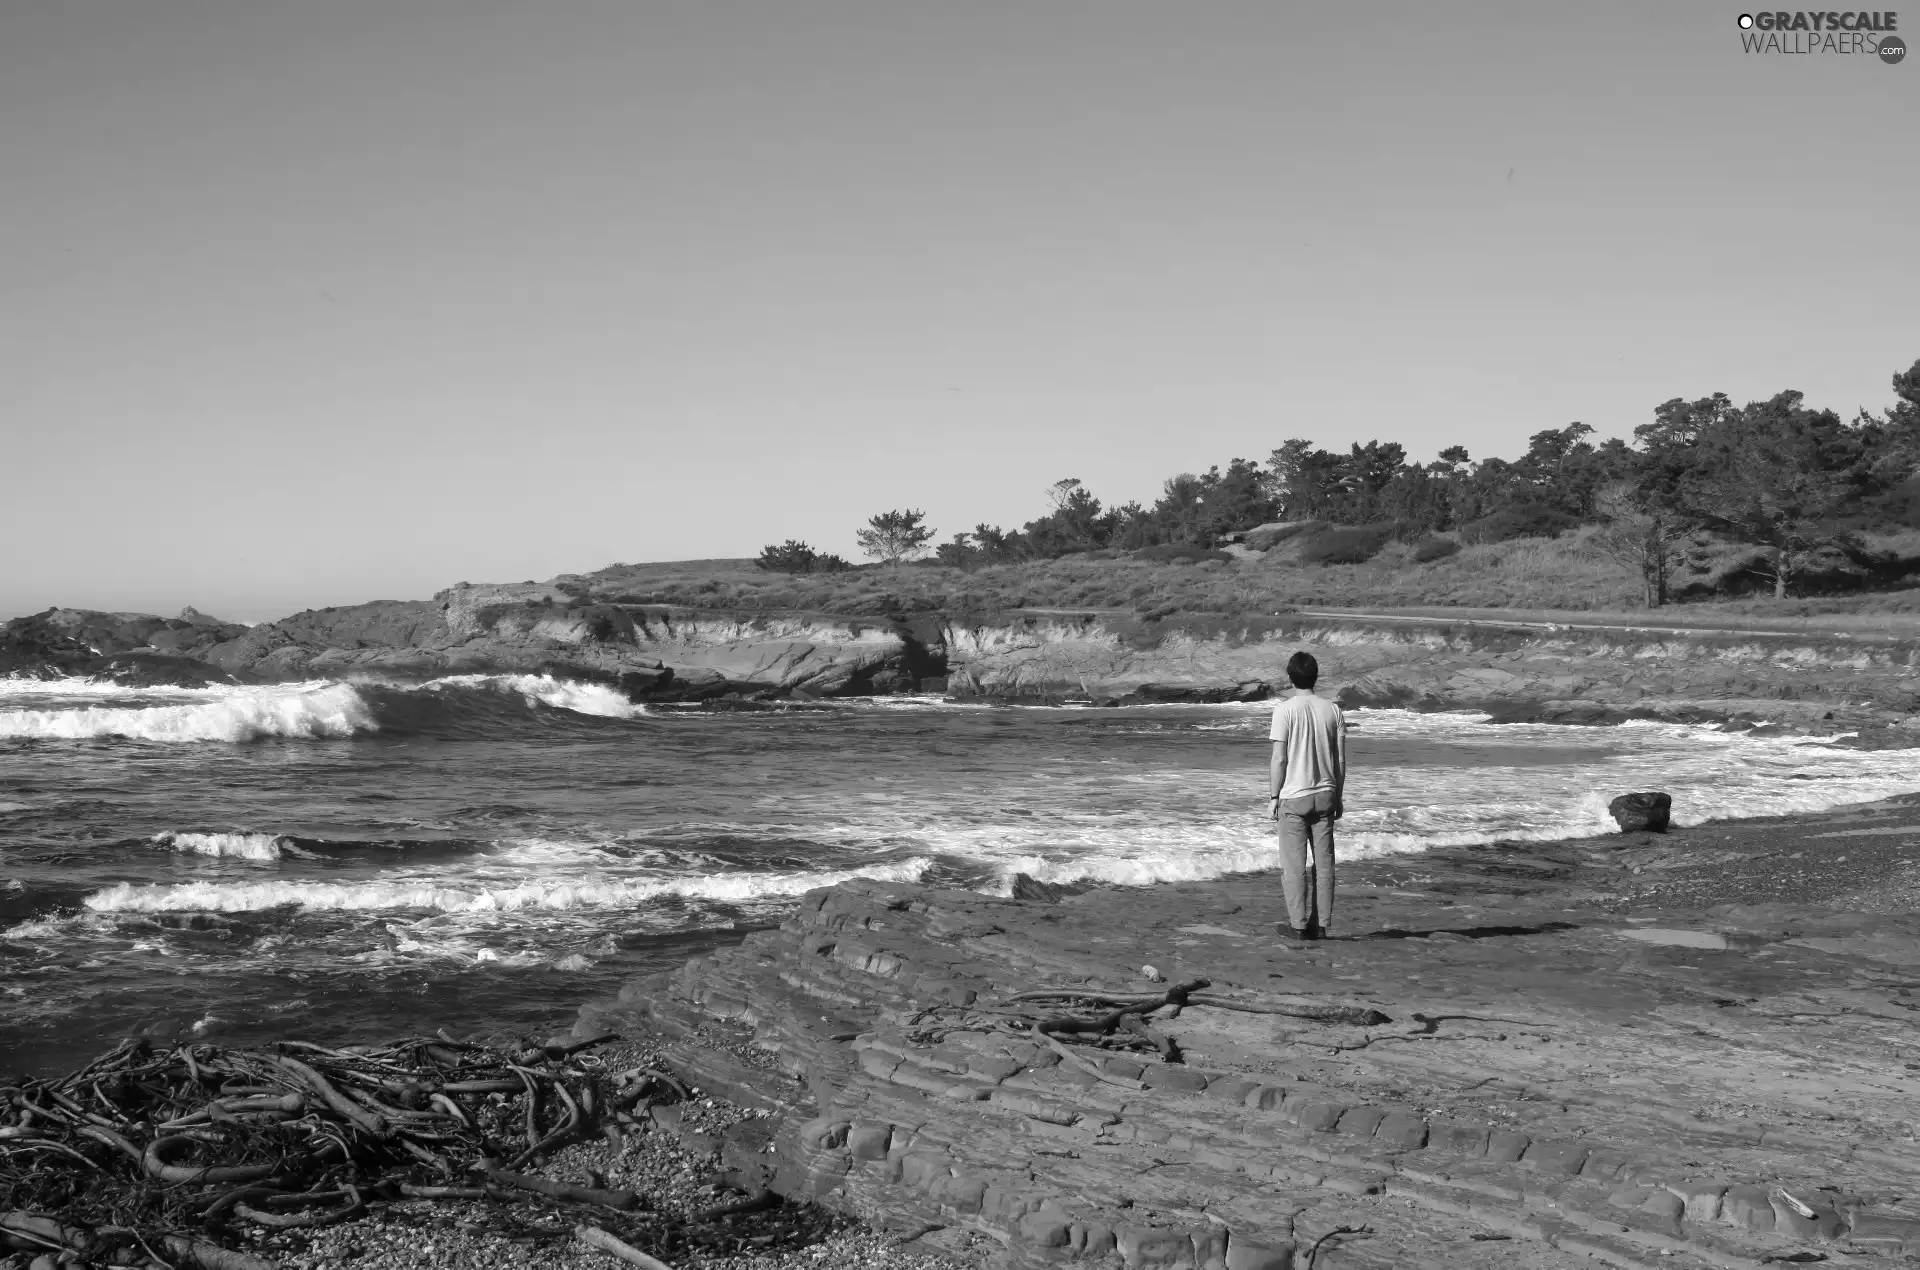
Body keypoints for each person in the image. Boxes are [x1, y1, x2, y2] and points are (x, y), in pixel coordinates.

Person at [1267, 650, 1347, 941]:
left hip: (1294, 796)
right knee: (1324, 866)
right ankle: (1322, 924)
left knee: (1294, 866)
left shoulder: (1284, 710)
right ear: (1316, 676)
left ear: (1290, 678)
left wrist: (1273, 796)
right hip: (1325, 793)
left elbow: (1279, 759)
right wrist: (1338, 795)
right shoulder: (1333, 710)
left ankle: (1298, 926)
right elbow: (1339, 761)